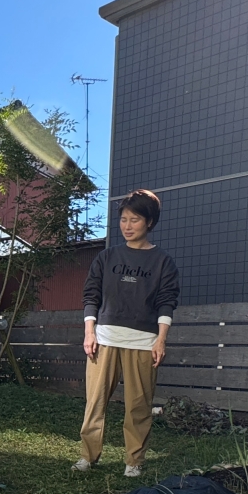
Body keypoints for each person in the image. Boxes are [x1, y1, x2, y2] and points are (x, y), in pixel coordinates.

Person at [75, 188, 179, 478]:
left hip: (144, 343)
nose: (127, 226)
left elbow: (167, 301)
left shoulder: (163, 262)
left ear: (149, 222)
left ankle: (134, 461)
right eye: (123, 219)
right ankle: (87, 456)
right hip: (104, 339)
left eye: (135, 220)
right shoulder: (107, 257)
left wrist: (161, 339)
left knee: (139, 406)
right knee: (94, 403)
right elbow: (91, 295)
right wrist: (89, 332)